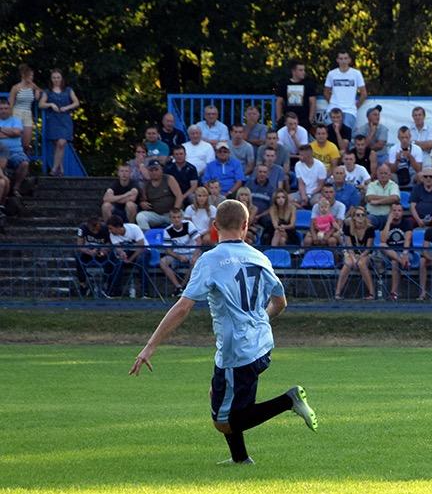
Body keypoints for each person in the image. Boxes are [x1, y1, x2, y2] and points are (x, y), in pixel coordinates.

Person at [130, 199, 317, 465]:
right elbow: (280, 303)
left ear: (215, 226)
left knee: (223, 422)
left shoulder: (210, 260)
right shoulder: (260, 257)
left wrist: (149, 347)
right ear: (246, 225)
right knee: (216, 394)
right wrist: (257, 321)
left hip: (237, 351)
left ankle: (289, 401)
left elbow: (183, 307)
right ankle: (240, 458)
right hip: (262, 344)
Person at [39, 69, 80, 176]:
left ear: (62, 79)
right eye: (54, 78)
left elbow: (76, 103)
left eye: (58, 77)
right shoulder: (47, 91)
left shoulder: (68, 90)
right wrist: (50, 104)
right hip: (53, 120)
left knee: (62, 143)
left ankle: (53, 169)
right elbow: (41, 104)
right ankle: (60, 170)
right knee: (57, 145)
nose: (56, 80)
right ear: (51, 79)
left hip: (65, 119)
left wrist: (67, 107)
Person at [336, 208, 376, 300]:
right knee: (348, 263)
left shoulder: (370, 228)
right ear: (353, 217)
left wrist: (359, 257)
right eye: (358, 215)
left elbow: (368, 249)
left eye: (363, 215)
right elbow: (349, 246)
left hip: (365, 254)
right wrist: (354, 259)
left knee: (361, 263)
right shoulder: (348, 227)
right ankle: (337, 293)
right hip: (351, 253)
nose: (360, 217)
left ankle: (372, 293)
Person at [159, 208, 200, 296]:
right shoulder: (167, 230)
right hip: (178, 254)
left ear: (182, 217)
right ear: (170, 219)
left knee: (195, 262)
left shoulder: (188, 224)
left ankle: (183, 287)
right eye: (174, 217)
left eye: (178, 217)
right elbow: (167, 250)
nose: (176, 219)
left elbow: (199, 241)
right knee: (163, 262)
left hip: (192, 252)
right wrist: (178, 256)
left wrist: (195, 256)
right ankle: (178, 286)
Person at [323, 49, 367, 130]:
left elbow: (364, 94)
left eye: (345, 58)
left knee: (346, 133)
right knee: (329, 132)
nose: (343, 61)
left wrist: (354, 106)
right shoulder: (331, 74)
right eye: (341, 58)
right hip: (333, 109)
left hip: (349, 110)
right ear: (337, 60)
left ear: (349, 60)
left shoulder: (356, 74)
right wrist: (333, 103)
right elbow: (326, 92)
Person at [137, 160, 183, 231]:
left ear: (161, 170)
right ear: (148, 171)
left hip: (170, 213)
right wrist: (143, 203)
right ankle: (148, 235)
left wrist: (175, 211)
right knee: (140, 217)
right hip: (156, 214)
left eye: (156, 169)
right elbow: (143, 200)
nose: (154, 172)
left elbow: (179, 196)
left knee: (183, 216)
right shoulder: (146, 184)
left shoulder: (169, 179)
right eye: (151, 170)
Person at [75, 216, 114, 298]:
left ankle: (106, 286)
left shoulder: (105, 228)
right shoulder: (82, 228)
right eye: (93, 230)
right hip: (88, 252)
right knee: (79, 259)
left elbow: (110, 243)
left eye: (96, 229)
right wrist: (89, 252)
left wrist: (103, 251)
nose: (95, 232)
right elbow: (79, 246)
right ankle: (83, 285)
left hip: (101, 251)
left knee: (110, 261)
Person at [0, 99, 30, 201]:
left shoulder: (16, 120)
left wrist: (1, 130)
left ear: (10, 109)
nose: (3, 111)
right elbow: (14, 133)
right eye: (1, 109)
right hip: (0, 152)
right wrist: (11, 133)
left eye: (6, 108)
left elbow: (17, 132)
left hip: (15, 152)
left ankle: (15, 188)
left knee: (24, 163)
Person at [381, 203, 412, 301]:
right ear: (390, 212)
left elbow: (407, 239)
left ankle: (393, 293)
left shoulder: (407, 222)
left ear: (402, 212)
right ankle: (402, 262)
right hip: (389, 253)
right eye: (394, 210)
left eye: (399, 210)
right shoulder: (386, 222)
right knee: (382, 246)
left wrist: (405, 254)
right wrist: (388, 222)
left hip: (404, 252)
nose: (396, 213)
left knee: (395, 262)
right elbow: (383, 240)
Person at [275, 60, 316, 131]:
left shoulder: (308, 84)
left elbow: (313, 102)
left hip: (303, 119)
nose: (303, 72)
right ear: (293, 71)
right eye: (300, 70)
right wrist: (279, 118)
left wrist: (310, 119)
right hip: (288, 118)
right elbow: (279, 102)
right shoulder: (284, 84)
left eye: (304, 70)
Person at [9, 64, 41, 152]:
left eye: (32, 76)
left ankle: (24, 157)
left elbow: (41, 91)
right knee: (16, 139)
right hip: (17, 113)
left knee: (27, 142)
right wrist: (10, 119)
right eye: (30, 75)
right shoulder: (15, 88)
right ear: (23, 75)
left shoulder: (32, 86)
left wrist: (37, 91)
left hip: (28, 113)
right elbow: (10, 104)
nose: (31, 78)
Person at [365, 164, 400, 229]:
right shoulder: (371, 185)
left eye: (385, 173)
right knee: (366, 221)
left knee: (396, 220)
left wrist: (377, 202)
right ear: (377, 174)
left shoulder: (394, 185)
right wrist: (388, 198)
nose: (383, 175)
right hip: (373, 215)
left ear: (389, 175)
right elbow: (369, 198)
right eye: (381, 173)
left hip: (388, 216)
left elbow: (395, 198)